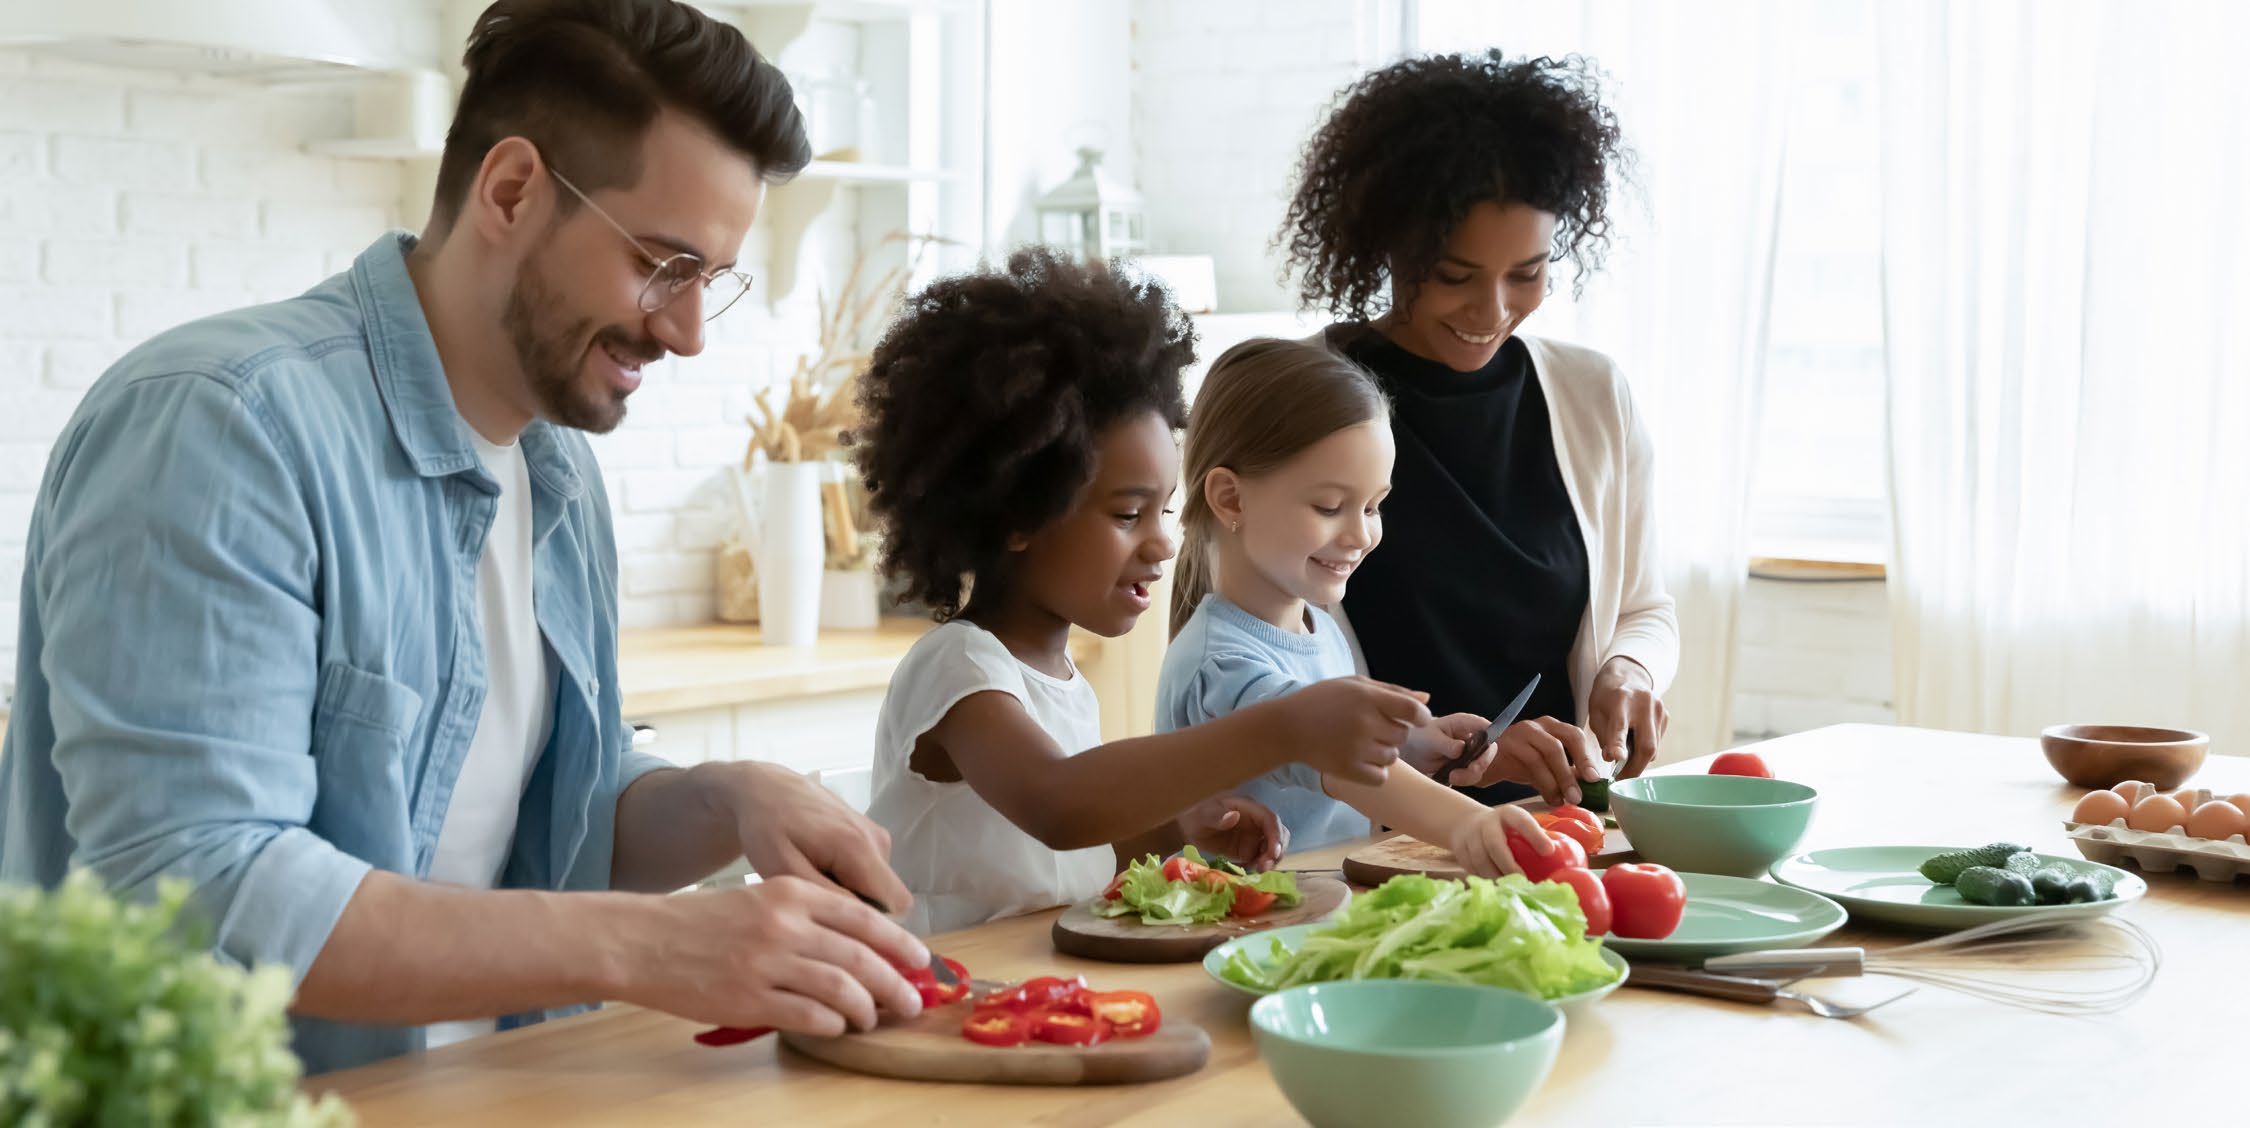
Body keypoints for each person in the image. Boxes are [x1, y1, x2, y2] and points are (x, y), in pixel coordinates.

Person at [0, 0, 929, 1075]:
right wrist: (649, 945)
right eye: (662, 265)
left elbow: (532, 814)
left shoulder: (557, 470)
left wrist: (724, 797)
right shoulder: (224, 424)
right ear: (512, 190)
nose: (683, 330)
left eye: (709, 283)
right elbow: (200, 890)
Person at [853, 248, 1442, 935]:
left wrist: (1177, 832)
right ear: (1018, 514)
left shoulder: (1060, 678)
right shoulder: (958, 668)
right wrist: (1286, 726)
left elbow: (1053, 856)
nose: (1163, 543)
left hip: (1022, 993)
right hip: (933, 992)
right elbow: (1058, 807)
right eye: (1128, 515)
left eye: (1164, 512)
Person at [1276, 49, 1680, 802]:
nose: (1491, 311)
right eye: (1456, 276)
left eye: (1526, 274)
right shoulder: (1295, 398)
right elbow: (1242, 680)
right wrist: (1466, 754)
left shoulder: (1593, 398)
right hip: (1373, 844)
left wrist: (1631, 668)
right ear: (1387, 244)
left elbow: (1644, 608)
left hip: (1560, 829)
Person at [1156, 337, 1572, 862]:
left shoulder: (1317, 627)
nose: (1362, 534)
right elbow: (1331, 759)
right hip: (1247, 933)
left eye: (1374, 506)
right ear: (1230, 498)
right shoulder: (1222, 662)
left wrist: (1414, 746)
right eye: (1330, 506)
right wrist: (1470, 824)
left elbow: (1333, 759)